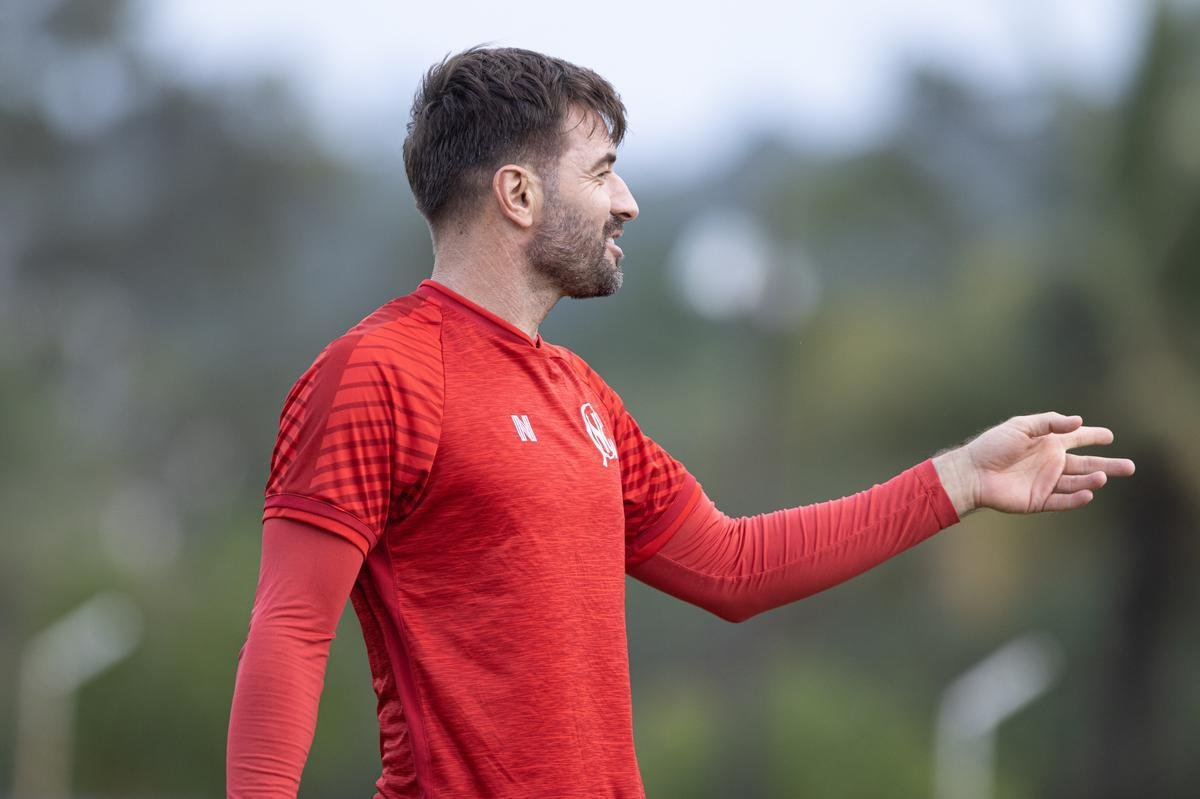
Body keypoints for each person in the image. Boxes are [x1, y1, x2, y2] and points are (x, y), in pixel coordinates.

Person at [225, 46, 1135, 798]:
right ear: (518, 194)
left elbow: (732, 566)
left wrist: (962, 479)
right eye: (603, 172)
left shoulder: (582, 394)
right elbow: (291, 628)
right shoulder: (379, 373)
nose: (626, 203)